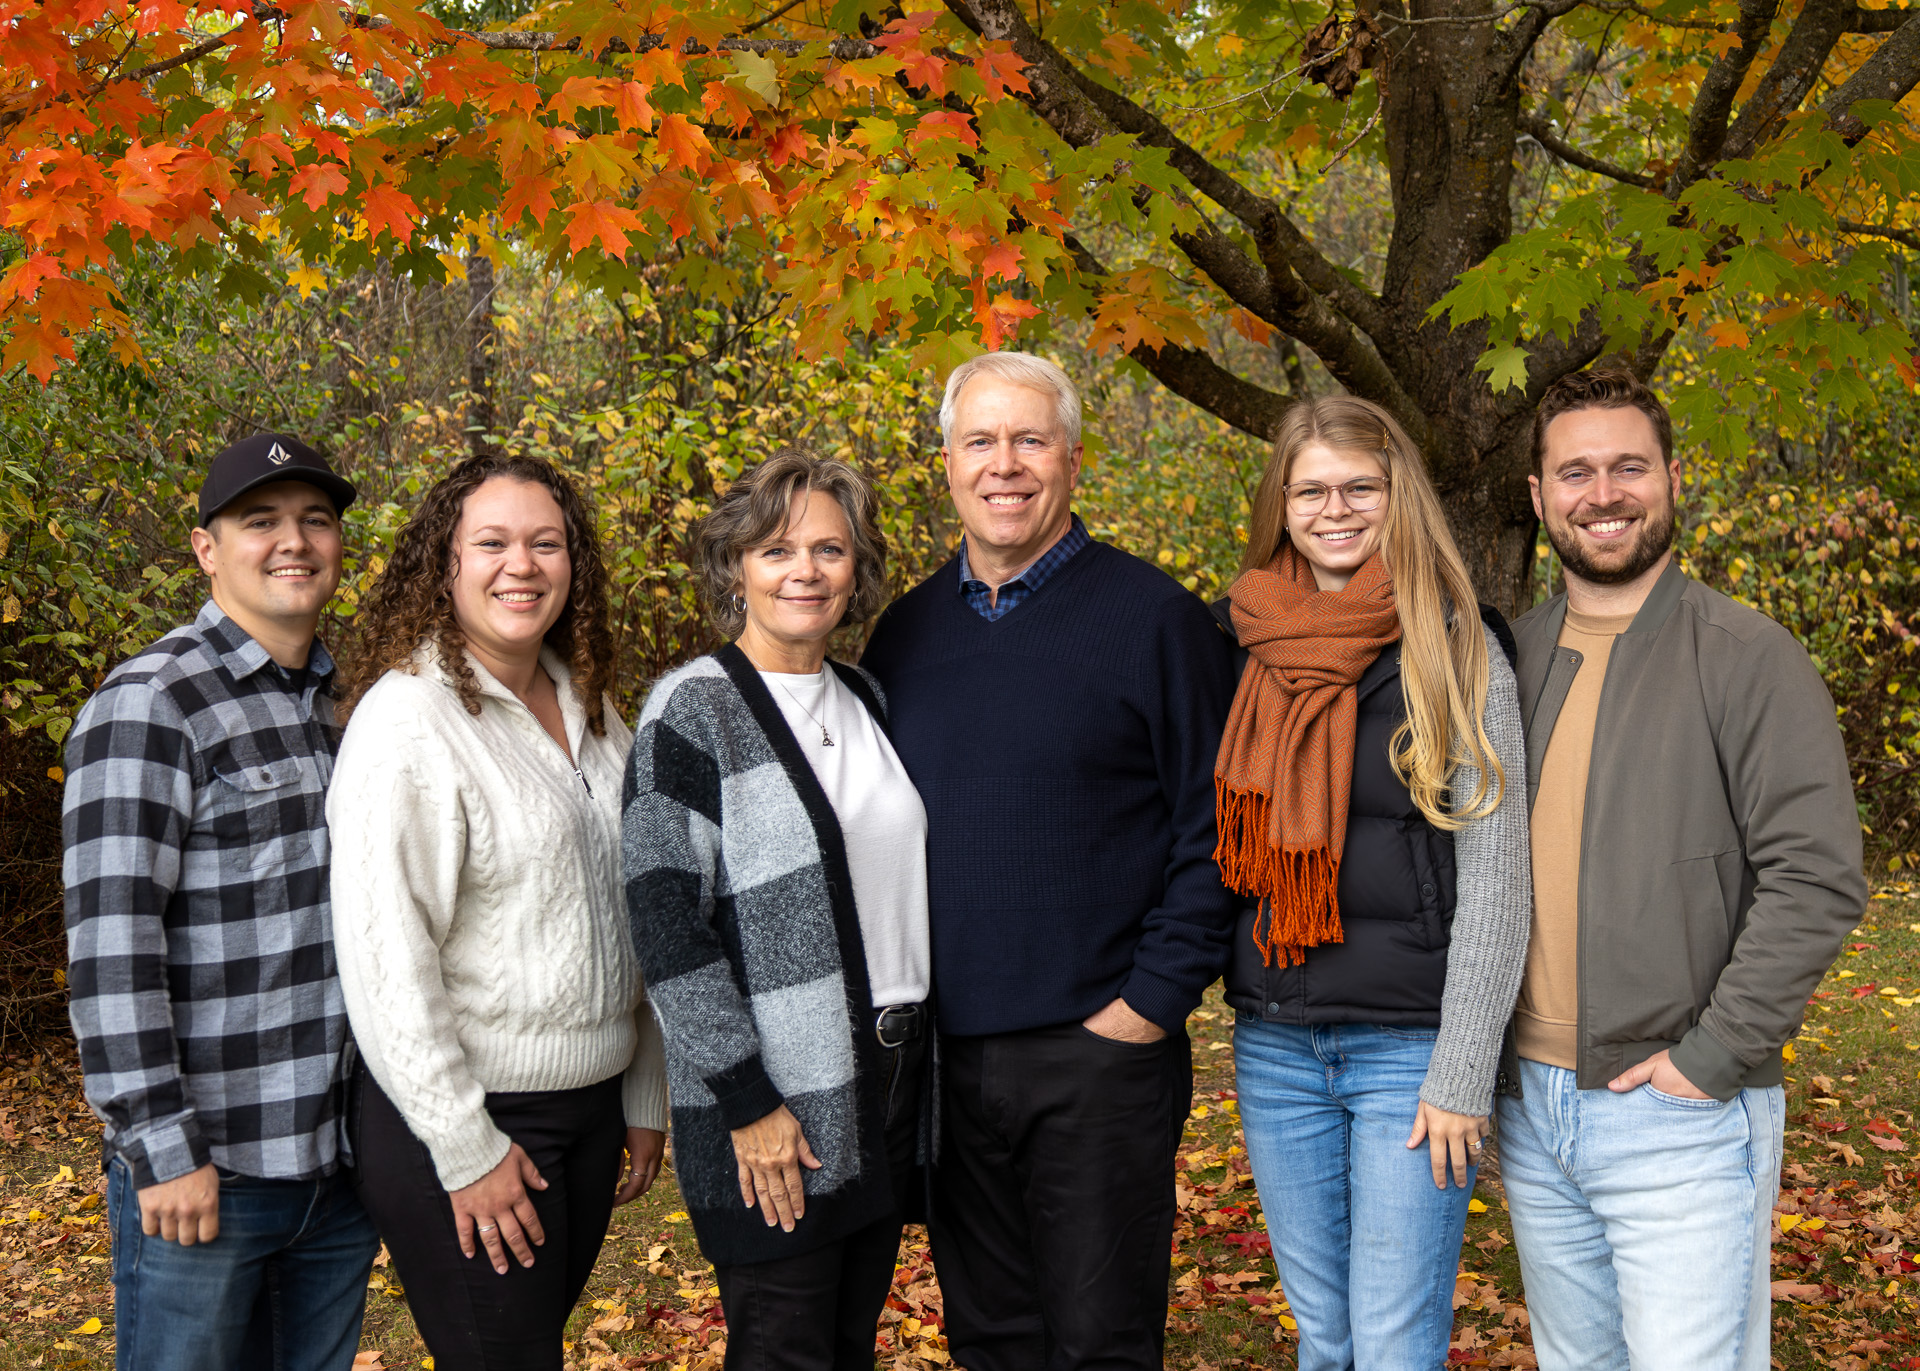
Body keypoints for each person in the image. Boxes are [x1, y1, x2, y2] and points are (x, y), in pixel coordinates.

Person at [858, 352, 1238, 1371]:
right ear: (947, 462)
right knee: (991, 1339)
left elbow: (1218, 826)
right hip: (948, 1058)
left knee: (1102, 1342)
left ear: (1072, 458)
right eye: (980, 441)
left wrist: (1149, 1005)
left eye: (1030, 440)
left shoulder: (1156, 620)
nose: (1005, 465)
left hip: (1097, 1052)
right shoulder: (904, 635)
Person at [1498, 369, 1866, 1371]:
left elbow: (1817, 875)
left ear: (1672, 479)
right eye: (1575, 472)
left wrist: (1711, 1059)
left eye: (1629, 467)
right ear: (1538, 495)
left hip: (1677, 1105)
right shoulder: (1511, 658)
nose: (1603, 494)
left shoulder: (1747, 655)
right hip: (1532, 1107)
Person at [325, 454, 668, 1370]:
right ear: (444, 564)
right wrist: (464, 1143)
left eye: (545, 543)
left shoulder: (593, 707)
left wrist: (643, 1085)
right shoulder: (407, 720)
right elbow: (386, 958)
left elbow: (639, 906)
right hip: (472, 1114)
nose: (522, 564)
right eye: (492, 543)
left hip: (591, 1107)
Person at [1210, 397, 1531, 1370]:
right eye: (1311, 490)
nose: (1335, 509)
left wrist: (1463, 1071)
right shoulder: (1241, 640)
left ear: (1400, 497)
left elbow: (1499, 879)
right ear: (1280, 503)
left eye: (1361, 487)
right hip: (1276, 1043)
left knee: (1393, 1342)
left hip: (1411, 1054)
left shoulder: (1456, 643)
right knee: (1326, 1336)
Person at [62, 433, 380, 1371]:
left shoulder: (344, 707)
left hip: (338, 1171)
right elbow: (112, 948)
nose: (294, 541)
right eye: (260, 521)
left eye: (315, 520)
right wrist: (162, 1147)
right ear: (208, 548)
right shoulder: (151, 701)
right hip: (213, 1174)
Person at [622, 448, 931, 1371]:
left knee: (847, 1345)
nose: (806, 570)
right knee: (784, 1347)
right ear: (736, 568)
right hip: (779, 1098)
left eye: (829, 549)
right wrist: (748, 1099)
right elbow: (667, 928)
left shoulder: (867, 698)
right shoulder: (691, 711)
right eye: (777, 549)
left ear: (856, 568)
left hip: (890, 1079)